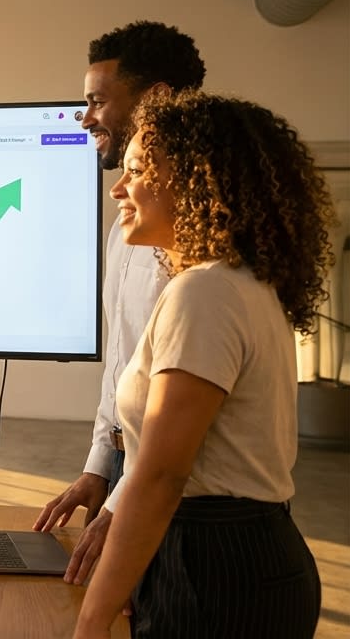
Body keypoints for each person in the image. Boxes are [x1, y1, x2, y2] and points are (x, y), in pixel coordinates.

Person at [73, 91, 330, 638]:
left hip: (219, 569)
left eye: (138, 170)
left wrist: (91, 619)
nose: (118, 187)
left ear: (195, 180)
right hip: (227, 555)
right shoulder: (230, 283)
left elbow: (163, 475)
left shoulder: (206, 293)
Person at [34, 20, 206, 584]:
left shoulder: (209, 248)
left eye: (97, 101)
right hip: (137, 481)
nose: (84, 118)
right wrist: (99, 468)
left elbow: (183, 419)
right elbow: (124, 366)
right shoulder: (126, 230)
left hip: (193, 512)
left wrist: (120, 507)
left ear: (154, 98)